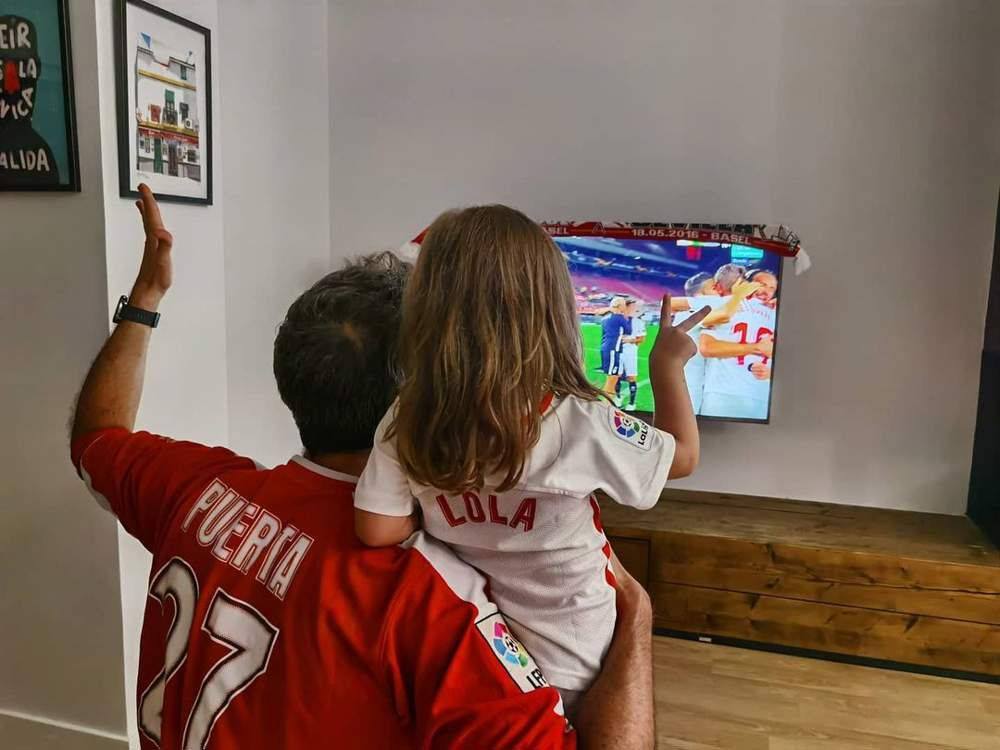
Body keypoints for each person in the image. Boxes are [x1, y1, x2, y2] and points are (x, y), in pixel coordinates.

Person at [69, 186, 656, 749]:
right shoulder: (432, 598)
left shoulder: (198, 491)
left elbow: (96, 434)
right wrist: (635, 629)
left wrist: (145, 300)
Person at [353, 205, 709, 713]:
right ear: (553, 309)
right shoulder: (583, 419)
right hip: (579, 659)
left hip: (477, 658)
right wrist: (666, 363)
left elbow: (376, 530)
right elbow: (683, 455)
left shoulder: (406, 418)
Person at [699, 268, 778, 420]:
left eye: (772, 288)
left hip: (761, 397)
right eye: (761, 284)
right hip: (722, 394)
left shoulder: (777, 315)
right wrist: (755, 348)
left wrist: (772, 372)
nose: (766, 291)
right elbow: (708, 348)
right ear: (746, 284)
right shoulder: (727, 307)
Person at [0, 16, 60, 186]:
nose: (11, 86)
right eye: (2, 67)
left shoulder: (40, 153)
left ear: (37, 70)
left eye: (23, 68)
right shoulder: (40, 151)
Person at [597, 296, 631, 402]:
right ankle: (605, 403)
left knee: (611, 377)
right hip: (613, 350)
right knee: (612, 378)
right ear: (620, 306)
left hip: (605, 348)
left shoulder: (605, 318)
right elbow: (628, 330)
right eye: (624, 305)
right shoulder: (619, 318)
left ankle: (606, 402)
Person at [617, 299, 646, 412]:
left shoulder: (638, 322)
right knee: (616, 375)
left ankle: (632, 403)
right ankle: (617, 398)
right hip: (617, 351)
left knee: (631, 377)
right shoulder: (617, 319)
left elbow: (641, 339)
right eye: (632, 307)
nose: (634, 309)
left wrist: (629, 340)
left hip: (630, 352)